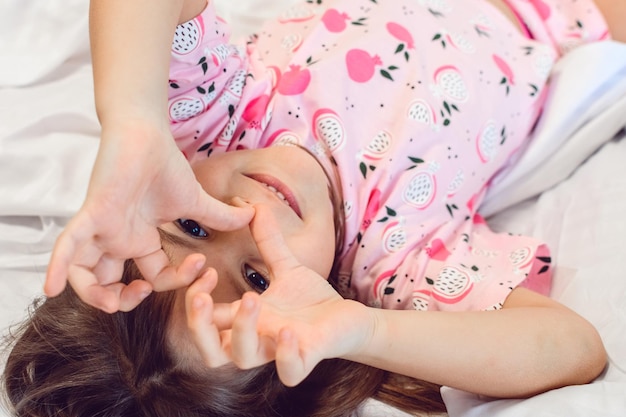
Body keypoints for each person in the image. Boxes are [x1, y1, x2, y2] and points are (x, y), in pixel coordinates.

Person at [4, 0, 620, 415]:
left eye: (193, 226)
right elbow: (572, 347)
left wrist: (132, 119)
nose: (251, 215)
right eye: (255, 276)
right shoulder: (392, 258)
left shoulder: (220, 114)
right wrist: (360, 331)